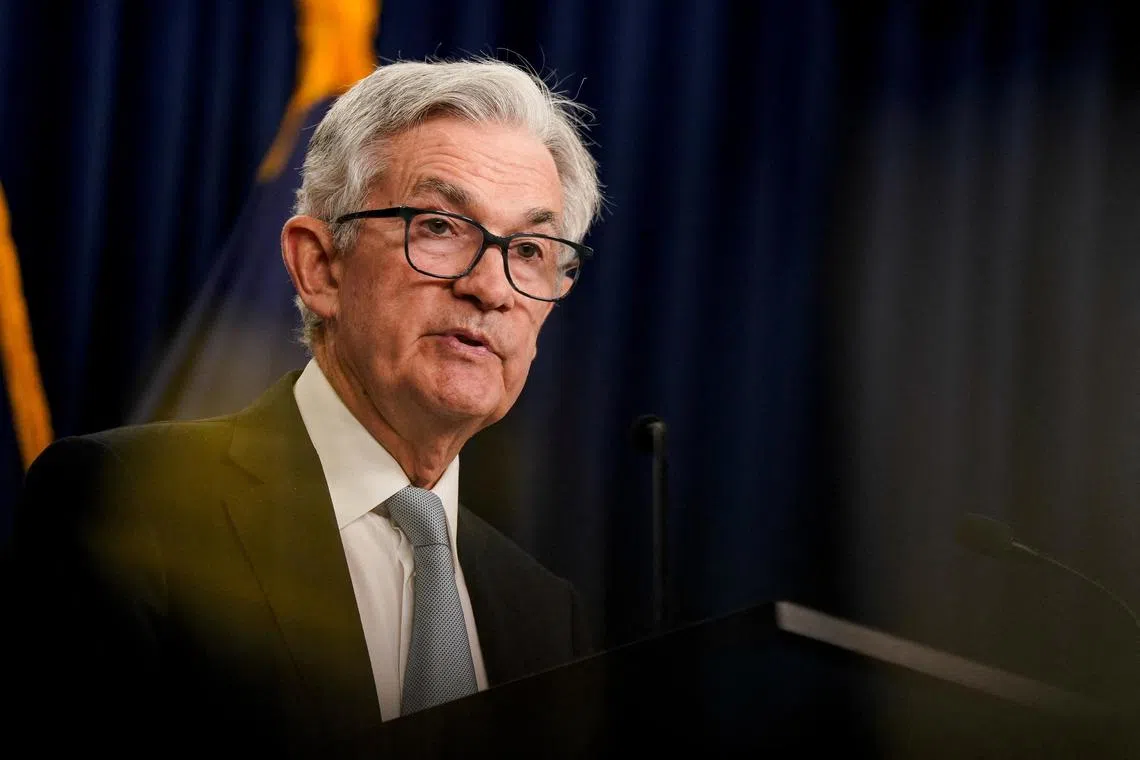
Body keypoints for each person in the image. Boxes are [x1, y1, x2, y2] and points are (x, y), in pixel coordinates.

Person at [5, 57, 603, 756]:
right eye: (440, 226)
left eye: (529, 249)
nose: (491, 288)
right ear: (320, 266)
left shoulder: (544, 612)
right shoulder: (126, 501)